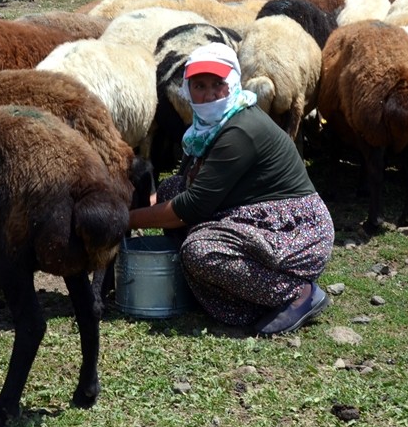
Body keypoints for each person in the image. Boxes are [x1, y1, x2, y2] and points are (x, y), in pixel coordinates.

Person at [128, 43, 334, 335]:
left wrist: (127, 219)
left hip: (294, 230)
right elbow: (187, 189)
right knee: (171, 189)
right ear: (187, 90)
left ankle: (294, 293)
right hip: (257, 212)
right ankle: (216, 287)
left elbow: (193, 207)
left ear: (234, 83)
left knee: (202, 251)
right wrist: (141, 205)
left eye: (218, 84)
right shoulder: (209, 126)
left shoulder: (239, 130)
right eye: (199, 85)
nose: (209, 94)